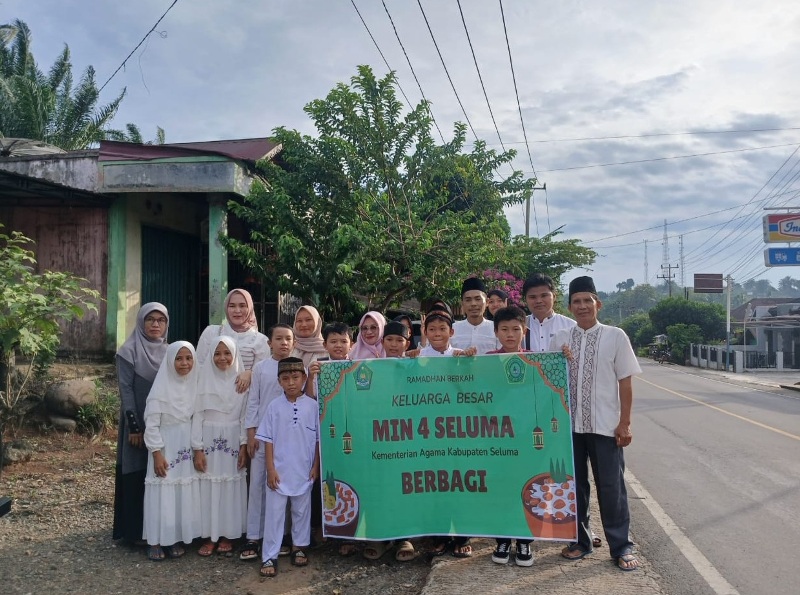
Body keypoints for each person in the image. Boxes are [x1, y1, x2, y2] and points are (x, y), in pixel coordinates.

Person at [549, 276, 642, 571]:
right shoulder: (560, 339)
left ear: (597, 304)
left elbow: (625, 383)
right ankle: (581, 541)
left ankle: (621, 546)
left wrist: (624, 423)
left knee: (611, 488)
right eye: (576, 301)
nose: (582, 306)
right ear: (570, 306)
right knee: (574, 487)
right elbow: (546, 378)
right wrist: (558, 360)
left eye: (587, 300)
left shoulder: (616, 336)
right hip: (569, 429)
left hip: (605, 427)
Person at [256, 357, 320, 578]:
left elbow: (319, 441)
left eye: (295, 377)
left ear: (304, 378)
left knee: (302, 511)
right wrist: (271, 470)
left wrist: (315, 466)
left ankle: (299, 547)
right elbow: (268, 440)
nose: (291, 382)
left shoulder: (313, 406)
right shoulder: (274, 407)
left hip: (304, 469)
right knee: (274, 515)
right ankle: (269, 555)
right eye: (285, 378)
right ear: (279, 382)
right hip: (279, 471)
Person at [418, 307, 475, 557]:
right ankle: (439, 536)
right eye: (432, 329)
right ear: (425, 332)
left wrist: (471, 361)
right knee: (434, 483)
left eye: (442, 329)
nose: (438, 333)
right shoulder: (417, 360)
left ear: (452, 331)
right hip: (428, 432)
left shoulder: (461, 357)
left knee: (461, 482)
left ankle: (462, 536)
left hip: (458, 432)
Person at [113, 303, 170, 546]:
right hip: (136, 422)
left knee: (160, 473)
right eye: (150, 320)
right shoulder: (128, 351)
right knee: (136, 471)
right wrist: (134, 426)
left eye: (161, 320)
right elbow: (125, 389)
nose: (155, 325)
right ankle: (134, 532)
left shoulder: (170, 351)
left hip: (163, 423)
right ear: (141, 322)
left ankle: (158, 529)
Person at [240, 324, 296, 561]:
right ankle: (253, 536)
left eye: (288, 339)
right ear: (269, 343)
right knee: (257, 486)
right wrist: (251, 434)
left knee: (281, 486)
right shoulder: (261, 369)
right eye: (279, 339)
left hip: (288, 439)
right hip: (263, 438)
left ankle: (282, 535)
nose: (284, 343)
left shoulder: (296, 367)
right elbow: (253, 402)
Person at [142, 341, 201, 561]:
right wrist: (157, 453)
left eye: (188, 358)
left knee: (179, 491)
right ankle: (155, 540)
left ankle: (173, 537)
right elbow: (152, 423)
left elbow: (197, 418)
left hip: (185, 445)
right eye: (178, 358)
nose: (184, 363)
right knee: (162, 489)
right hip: (165, 445)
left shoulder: (195, 384)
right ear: (170, 361)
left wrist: (197, 449)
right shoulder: (160, 389)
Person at [485, 306, 534, 567]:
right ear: (495, 332)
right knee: (502, 487)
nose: (510, 334)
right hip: (497, 437)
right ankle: (502, 539)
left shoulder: (537, 360)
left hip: (526, 438)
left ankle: (525, 539)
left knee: (526, 485)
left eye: (516, 329)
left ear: (524, 331)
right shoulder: (486, 360)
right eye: (504, 329)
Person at [192, 336, 248, 556]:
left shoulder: (241, 382)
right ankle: (208, 536)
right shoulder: (202, 381)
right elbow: (196, 416)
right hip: (208, 442)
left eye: (227, 353)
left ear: (235, 355)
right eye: (217, 353)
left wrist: (244, 446)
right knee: (207, 487)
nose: (222, 358)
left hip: (233, 441)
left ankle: (227, 534)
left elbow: (245, 416)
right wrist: (197, 448)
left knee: (230, 487)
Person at [196, 289, 269, 392]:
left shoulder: (261, 340)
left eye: (242, 305)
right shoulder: (211, 333)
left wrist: (250, 373)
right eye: (232, 306)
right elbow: (199, 366)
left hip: (244, 401)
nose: (237, 311)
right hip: (213, 397)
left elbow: (262, 375)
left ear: (250, 308)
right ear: (226, 308)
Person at [522, 273, 575, 352]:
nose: (538, 301)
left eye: (544, 296)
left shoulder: (571, 326)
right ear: (525, 300)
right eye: (532, 297)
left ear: (554, 296)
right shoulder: (519, 326)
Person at [451, 277, 498, 354]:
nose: (473, 304)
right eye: (468, 300)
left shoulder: (496, 328)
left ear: (487, 302)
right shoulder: (453, 329)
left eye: (478, 299)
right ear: (462, 303)